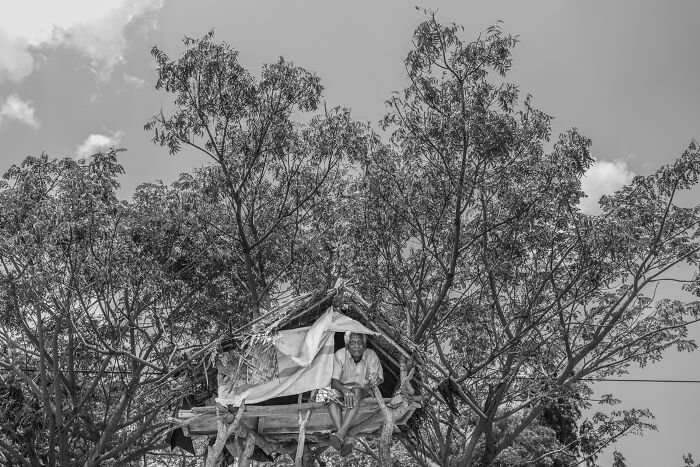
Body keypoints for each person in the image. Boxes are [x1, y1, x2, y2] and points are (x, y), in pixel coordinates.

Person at [327, 331, 383, 453]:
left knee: (356, 389)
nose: (356, 345)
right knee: (331, 398)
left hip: (364, 392)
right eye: (352, 342)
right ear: (347, 345)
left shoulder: (371, 355)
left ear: (364, 345)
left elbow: (377, 380)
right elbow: (334, 381)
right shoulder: (340, 355)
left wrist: (374, 379)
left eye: (360, 342)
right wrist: (344, 390)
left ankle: (340, 434)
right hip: (343, 390)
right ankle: (345, 438)